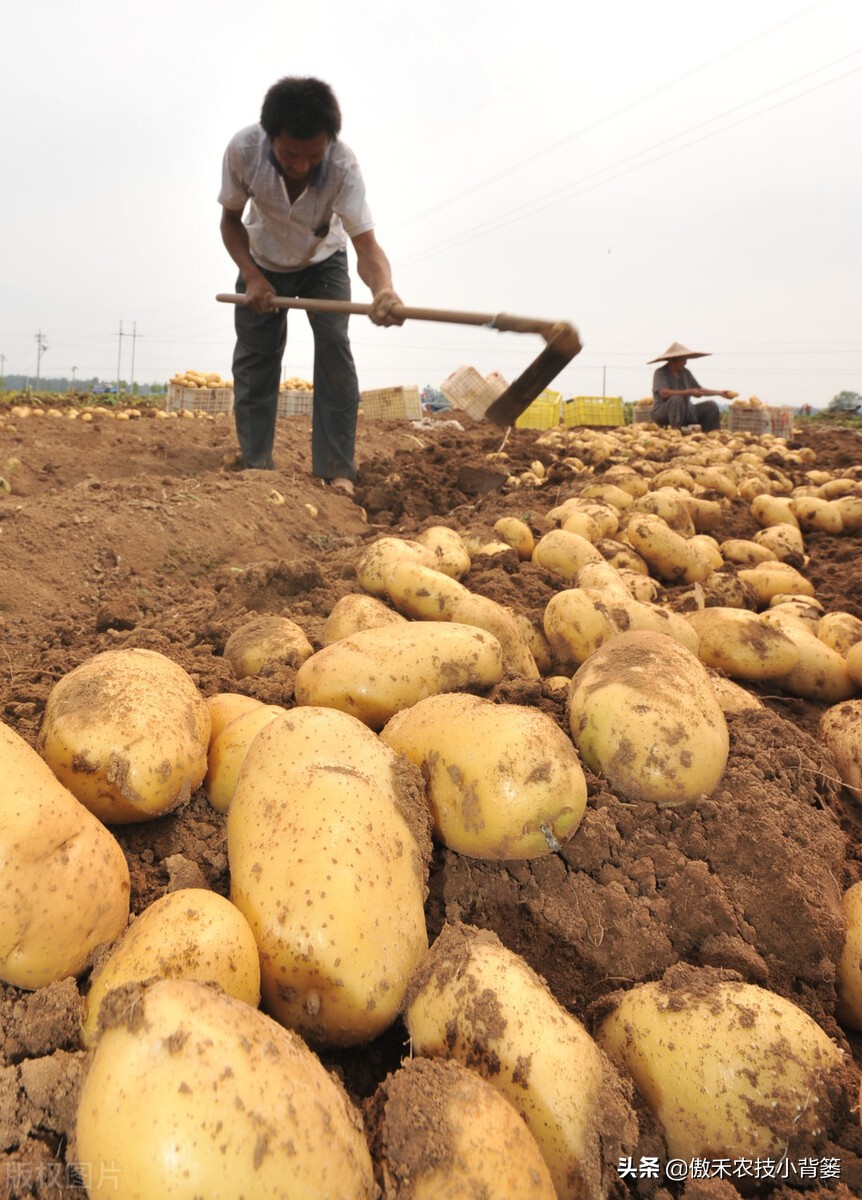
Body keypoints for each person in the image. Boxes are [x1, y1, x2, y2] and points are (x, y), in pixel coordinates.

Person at [219, 76, 403, 494]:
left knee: (335, 349)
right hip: (261, 260)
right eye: (288, 154)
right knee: (256, 358)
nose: (300, 165)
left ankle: (337, 469)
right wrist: (251, 276)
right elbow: (230, 222)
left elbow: (367, 247)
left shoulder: (343, 166)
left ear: (329, 144)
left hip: (325, 259)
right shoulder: (243, 151)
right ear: (270, 139)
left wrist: (384, 291)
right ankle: (256, 466)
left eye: (312, 156)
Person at [648, 342, 735, 433]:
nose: (685, 362)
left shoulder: (685, 373)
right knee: (676, 400)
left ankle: (711, 435)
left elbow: (698, 389)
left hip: (686, 411)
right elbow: (664, 393)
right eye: (683, 359)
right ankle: (675, 433)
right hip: (663, 412)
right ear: (673, 360)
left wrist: (720, 393)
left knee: (711, 405)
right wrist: (689, 392)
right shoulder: (661, 372)